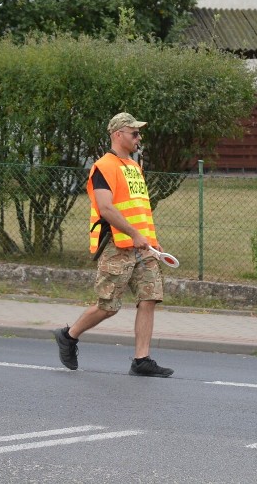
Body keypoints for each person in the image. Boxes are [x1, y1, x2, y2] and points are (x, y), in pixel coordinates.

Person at [53, 112, 173, 378]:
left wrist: (152, 242)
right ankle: (69, 336)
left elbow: (140, 210)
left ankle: (142, 360)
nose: (139, 138)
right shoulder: (103, 167)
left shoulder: (134, 167)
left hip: (143, 247)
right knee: (108, 306)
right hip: (117, 245)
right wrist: (133, 234)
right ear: (118, 135)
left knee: (149, 297)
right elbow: (106, 208)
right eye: (135, 133)